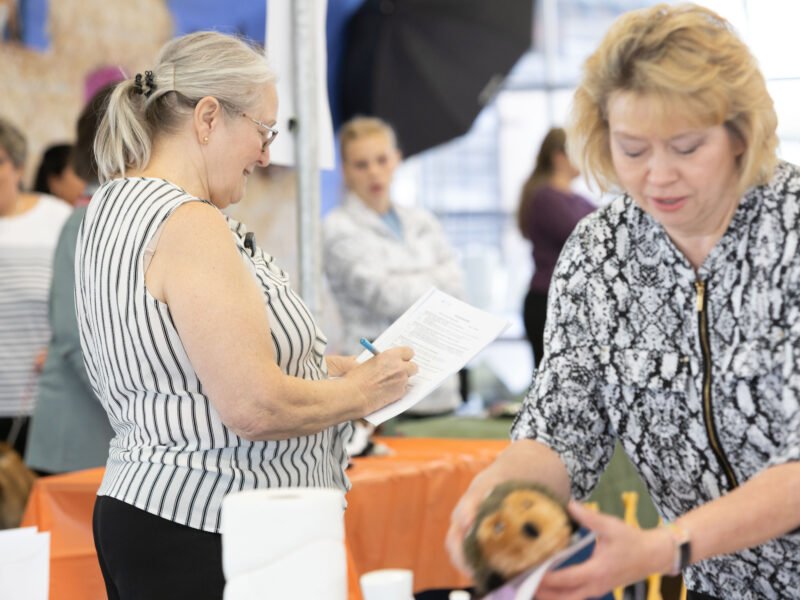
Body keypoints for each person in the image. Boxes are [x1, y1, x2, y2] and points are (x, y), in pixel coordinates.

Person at [446, 4, 800, 600]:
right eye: (633, 149)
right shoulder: (599, 252)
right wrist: (501, 490)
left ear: (741, 134)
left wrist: (668, 545)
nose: (659, 176)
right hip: (718, 586)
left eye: (687, 147)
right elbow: (562, 422)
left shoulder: (790, 231)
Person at [76, 31, 417, 600]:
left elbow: (179, 365)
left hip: (154, 508)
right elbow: (253, 406)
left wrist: (321, 370)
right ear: (208, 117)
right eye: (263, 131)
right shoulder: (188, 222)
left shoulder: (113, 203)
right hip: (210, 521)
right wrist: (362, 393)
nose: (266, 155)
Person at [323, 116, 466, 415]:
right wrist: (435, 281)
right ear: (345, 170)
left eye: (381, 160)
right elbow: (385, 296)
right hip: (377, 392)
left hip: (440, 388)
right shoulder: (337, 228)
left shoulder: (422, 220)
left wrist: (405, 282)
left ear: (397, 160)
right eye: (361, 164)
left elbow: (458, 287)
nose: (373, 172)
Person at [25, 85, 117, 475]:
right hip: (79, 442)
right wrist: (136, 405)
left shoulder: (106, 215)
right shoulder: (85, 220)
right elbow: (73, 334)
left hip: (101, 435)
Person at [0, 117, 71, 456]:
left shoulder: (55, 220)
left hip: (41, 404)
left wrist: (64, 348)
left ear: (18, 167)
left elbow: (89, 305)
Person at [518, 127, 594, 368]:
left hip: (569, 301)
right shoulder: (546, 198)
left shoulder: (577, 200)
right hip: (548, 300)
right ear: (559, 157)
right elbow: (582, 237)